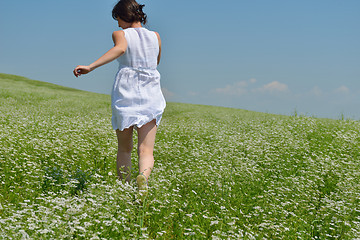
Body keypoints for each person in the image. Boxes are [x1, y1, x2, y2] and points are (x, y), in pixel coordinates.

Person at [73, 0, 166, 195]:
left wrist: (91, 66)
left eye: (118, 19)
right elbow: (155, 62)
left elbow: (120, 49)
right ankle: (143, 179)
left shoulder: (120, 34)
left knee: (125, 149)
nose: (117, 24)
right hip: (151, 91)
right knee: (146, 150)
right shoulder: (155, 36)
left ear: (124, 16)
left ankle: (124, 190)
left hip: (127, 91)